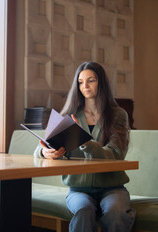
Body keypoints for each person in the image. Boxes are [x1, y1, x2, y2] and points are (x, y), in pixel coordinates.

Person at [34, 61, 136, 232]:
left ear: (101, 83)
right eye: (80, 82)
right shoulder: (68, 115)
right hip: (78, 190)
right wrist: (45, 152)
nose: (85, 86)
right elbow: (40, 149)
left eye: (91, 80)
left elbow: (116, 154)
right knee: (83, 211)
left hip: (112, 188)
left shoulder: (118, 115)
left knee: (115, 213)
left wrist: (86, 143)